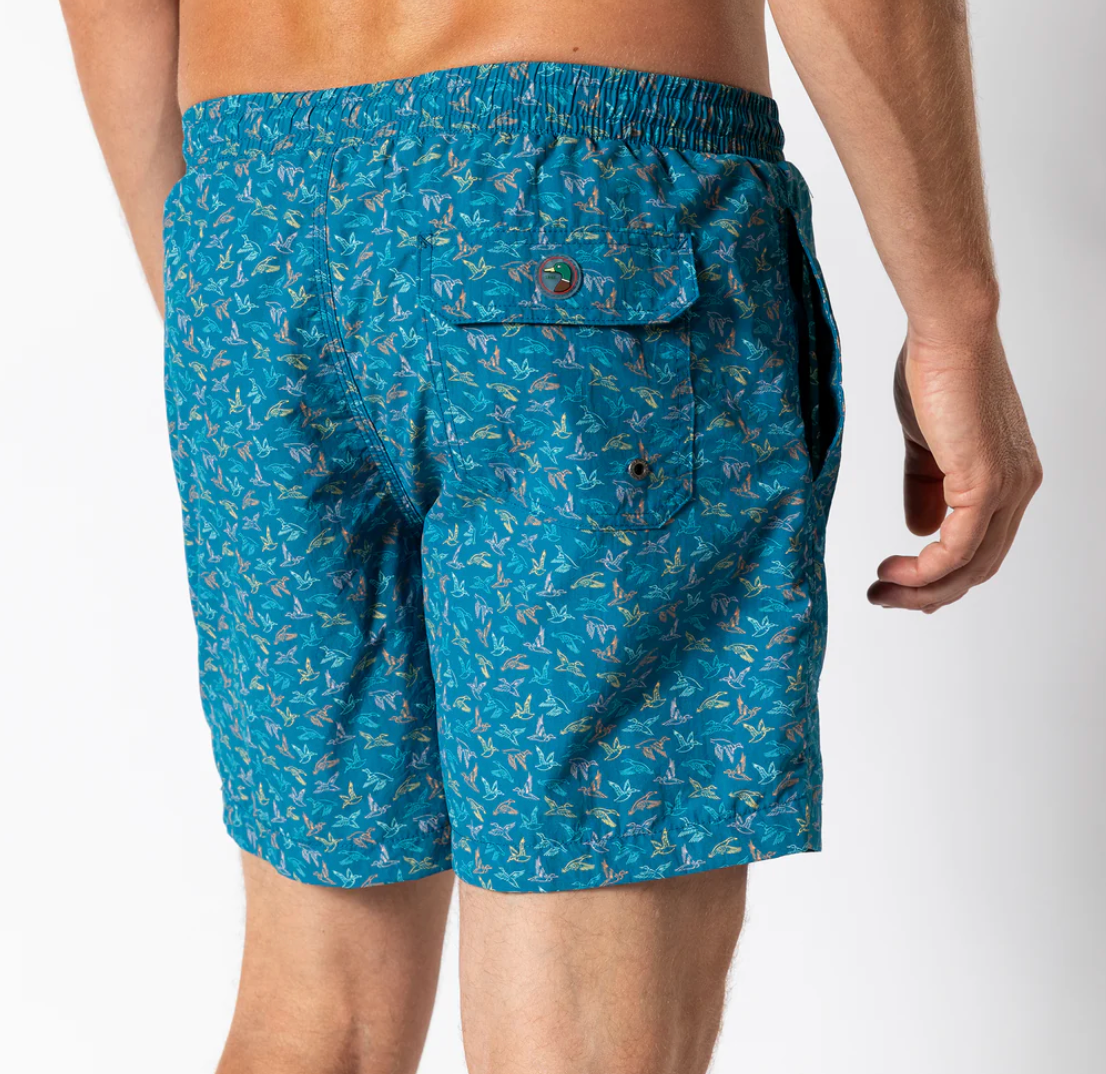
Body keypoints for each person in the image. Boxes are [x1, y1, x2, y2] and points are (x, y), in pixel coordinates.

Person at [58, 2, 1042, 1072]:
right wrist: (954, 321)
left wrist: (221, 298)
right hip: (574, 216)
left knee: (313, 1007)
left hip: (246, 224)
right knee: (580, 1035)